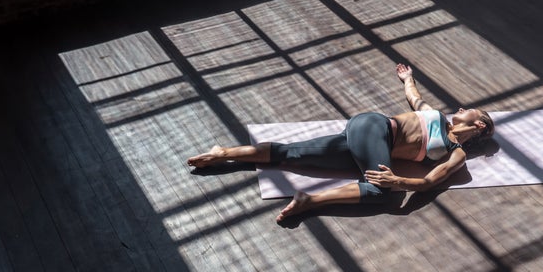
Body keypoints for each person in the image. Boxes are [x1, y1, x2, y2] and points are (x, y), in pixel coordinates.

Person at [187, 63, 495, 222]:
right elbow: (416, 97)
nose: (462, 109)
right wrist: (407, 78)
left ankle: (223, 153)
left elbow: (429, 182)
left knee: (292, 154)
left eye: (470, 111)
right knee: (382, 192)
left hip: (364, 145)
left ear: (479, 125)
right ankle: (309, 202)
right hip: (375, 127)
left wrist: (398, 178)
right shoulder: (435, 114)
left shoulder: (457, 154)